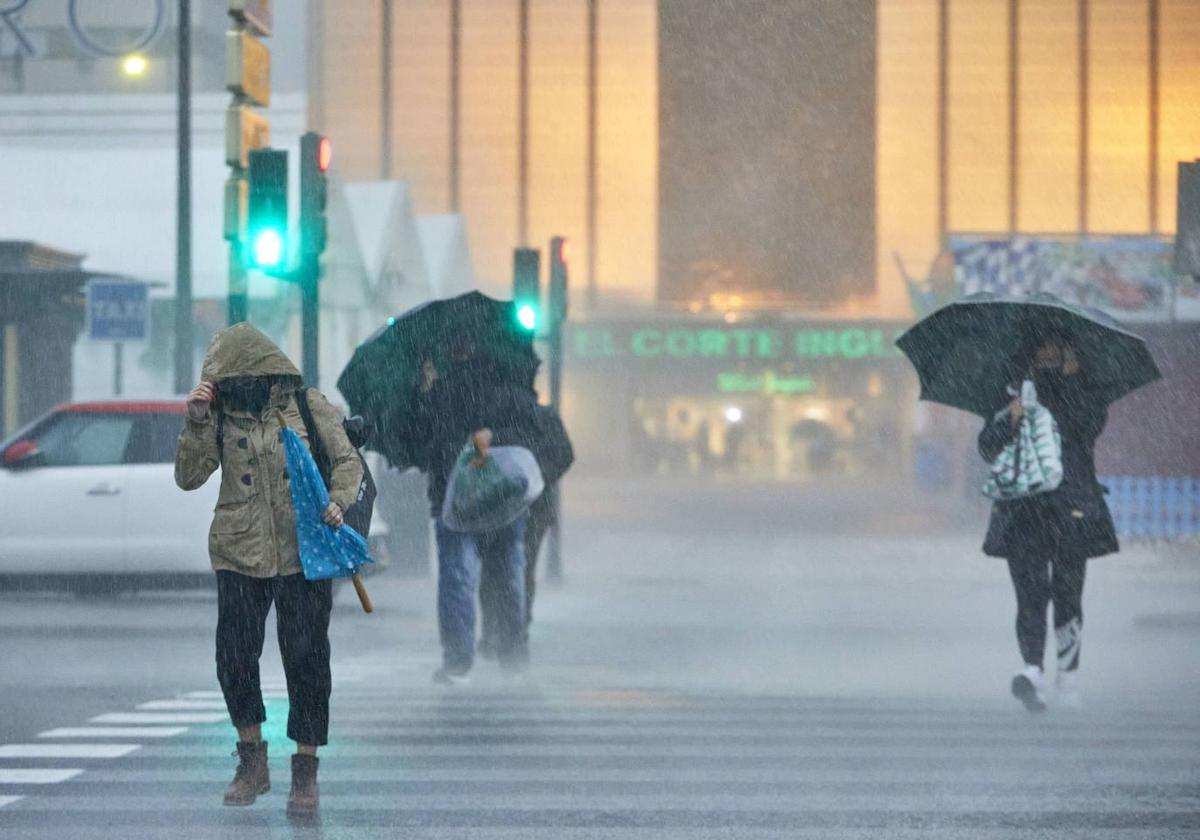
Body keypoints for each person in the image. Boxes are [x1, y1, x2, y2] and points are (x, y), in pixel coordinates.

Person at [174, 323, 363, 813]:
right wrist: (196, 422)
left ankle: (305, 773)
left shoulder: (305, 406)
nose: (233, 388)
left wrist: (339, 502)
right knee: (234, 658)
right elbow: (189, 478)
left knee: (306, 660)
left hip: (304, 551)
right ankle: (252, 761)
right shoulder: (217, 416)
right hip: (239, 551)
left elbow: (347, 462)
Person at [978, 337, 1118, 712]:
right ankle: (1033, 671)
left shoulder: (1087, 389)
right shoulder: (1010, 392)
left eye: (1059, 348)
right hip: (1023, 510)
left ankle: (1068, 678)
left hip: (1072, 509)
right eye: (1043, 348)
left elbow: (1085, 430)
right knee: (1030, 595)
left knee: (1069, 596)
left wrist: (1072, 382)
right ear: (1030, 352)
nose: (1050, 356)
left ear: (1073, 352)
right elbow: (987, 447)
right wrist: (1009, 418)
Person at [408, 347, 553, 684]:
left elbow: (420, 441)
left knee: (459, 578)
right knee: (508, 576)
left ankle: (460, 663)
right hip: (503, 502)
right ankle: (512, 658)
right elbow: (532, 438)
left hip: (455, 501)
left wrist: (426, 394)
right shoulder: (511, 392)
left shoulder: (444, 393)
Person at [478, 402, 574, 659]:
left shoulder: (490, 414)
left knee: (495, 568)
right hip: (532, 505)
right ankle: (515, 630)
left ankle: (496, 631)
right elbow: (564, 455)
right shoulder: (541, 416)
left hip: (503, 505)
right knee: (521, 568)